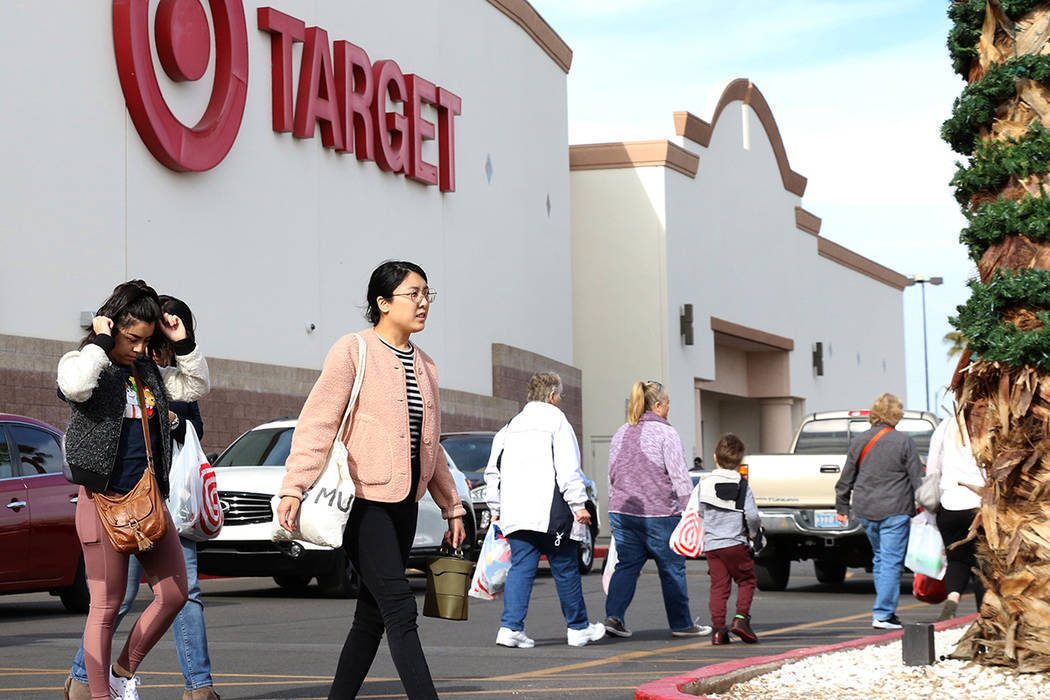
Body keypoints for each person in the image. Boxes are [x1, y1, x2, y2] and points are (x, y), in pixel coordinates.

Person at [276, 260, 466, 700]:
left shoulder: (427, 366)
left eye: (426, 294)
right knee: (400, 608)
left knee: (372, 615)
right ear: (382, 303)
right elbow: (317, 423)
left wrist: (451, 504)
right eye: (412, 294)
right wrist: (294, 486)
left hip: (403, 504)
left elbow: (430, 444)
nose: (423, 303)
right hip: (363, 502)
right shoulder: (353, 350)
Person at [58, 280, 210, 700]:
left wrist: (185, 342)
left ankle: (121, 671)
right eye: (132, 339)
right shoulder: (85, 363)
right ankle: (98, 695)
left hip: (148, 504)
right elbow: (74, 387)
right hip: (102, 505)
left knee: (176, 592)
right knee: (104, 608)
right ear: (111, 328)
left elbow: (195, 387)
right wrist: (102, 342)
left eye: (147, 340)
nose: (141, 349)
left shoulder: (148, 375)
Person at [484, 372, 606, 648]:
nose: (560, 401)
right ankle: (578, 627)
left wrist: (496, 507)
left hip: (515, 512)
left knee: (521, 567)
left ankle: (511, 627)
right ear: (552, 396)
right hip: (550, 513)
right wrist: (578, 504)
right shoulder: (556, 421)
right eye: (560, 396)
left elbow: (493, 470)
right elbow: (567, 468)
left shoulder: (510, 425)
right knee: (564, 566)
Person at [603, 380, 711, 638]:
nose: (669, 407)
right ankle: (682, 624)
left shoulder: (621, 432)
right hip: (659, 512)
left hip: (622, 510)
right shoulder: (666, 434)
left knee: (626, 565)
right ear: (659, 405)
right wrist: (690, 512)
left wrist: (614, 505)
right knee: (671, 568)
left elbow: (612, 475)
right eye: (668, 403)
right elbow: (680, 478)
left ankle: (614, 618)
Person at [834, 393, 924, 630]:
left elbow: (847, 477)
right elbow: (918, 478)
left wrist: (841, 506)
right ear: (896, 414)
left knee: (880, 559)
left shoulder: (859, 441)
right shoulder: (904, 441)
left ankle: (884, 612)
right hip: (895, 509)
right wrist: (928, 507)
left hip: (866, 509)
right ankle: (883, 614)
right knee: (891, 561)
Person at [698, 434, 760, 645]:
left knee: (718, 587)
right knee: (746, 580)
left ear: (715, 457)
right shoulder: (742, 485)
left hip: (713, 545)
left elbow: (700, 512)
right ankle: (741, 619)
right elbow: (751, 516)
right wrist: (753, 533)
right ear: (740, 461)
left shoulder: (704, 484)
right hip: (734, 542)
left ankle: (718, 630)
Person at [927, 406, 984, 621]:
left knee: (957, 560)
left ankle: (953, 598)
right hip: (981, 504)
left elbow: (933, 467)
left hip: (950, 502)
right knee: (982, 563)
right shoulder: (991, 424)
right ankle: (983, 613)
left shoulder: (946, 426)